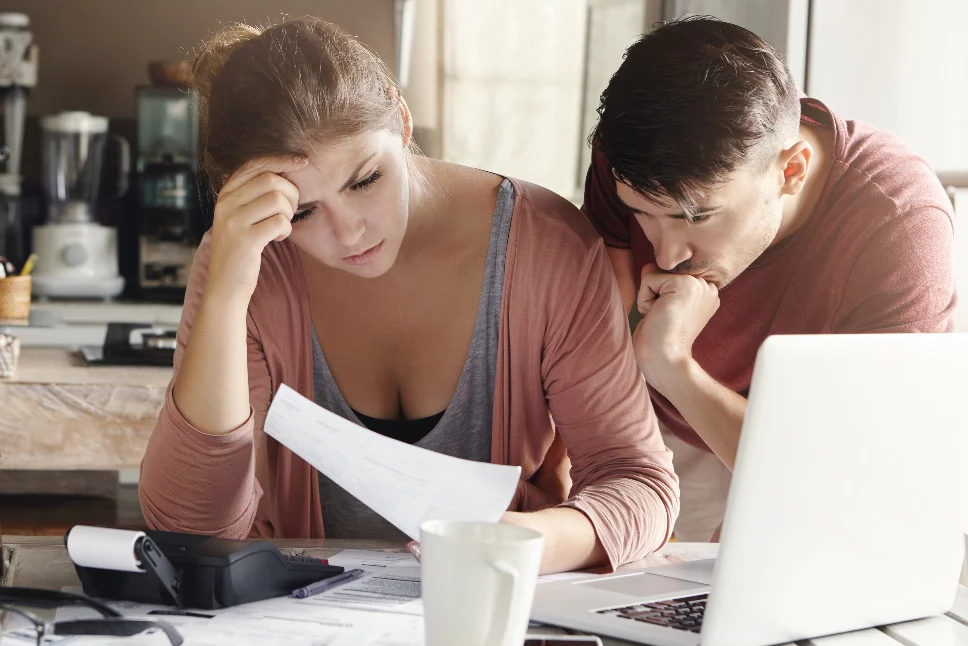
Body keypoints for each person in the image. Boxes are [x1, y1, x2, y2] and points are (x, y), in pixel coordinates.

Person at [140, 17, 679, 574]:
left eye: (365, 180)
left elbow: (639, 483)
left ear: (401, 122)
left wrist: (523, 542)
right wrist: (227, 292)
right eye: (301, 211)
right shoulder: (248, 259)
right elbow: (189, 531)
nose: (349, 233)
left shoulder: (549, 247)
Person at [583, 17, 956, 479]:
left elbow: (854, 467)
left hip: (814, 450)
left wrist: (674, 363)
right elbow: (596, 334)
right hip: (651, 415)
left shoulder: (901, 225)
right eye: (641, 213)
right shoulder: (635, 156)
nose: (665, 257)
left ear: (792, 170)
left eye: (697, 216)